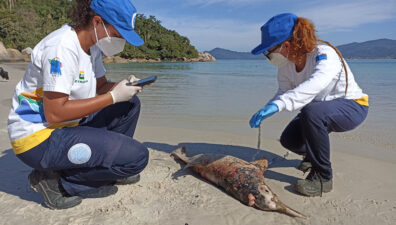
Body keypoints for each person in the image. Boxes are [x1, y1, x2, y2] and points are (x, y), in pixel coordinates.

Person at [7, 0, 149, 209]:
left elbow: (101, 86)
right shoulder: (62, 47)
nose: (120, 41)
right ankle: (59, 182)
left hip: (68, 126)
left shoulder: (93, 47)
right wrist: (112, 97)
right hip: (38, 138)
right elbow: (55, 113)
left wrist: (123, 87)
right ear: (98, 22)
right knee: (138, 158)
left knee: (129, 104)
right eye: (118, 35)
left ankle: (105, 167)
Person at [249, 13, 369, 197]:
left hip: (352, 107)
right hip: (318, 111)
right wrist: (269, 107)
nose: (268, 56)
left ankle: (323, 177)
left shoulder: (324, 54)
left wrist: (279, 105)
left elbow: (314, 85)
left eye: (269, 50)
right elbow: (283, 92)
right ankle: (313, 157)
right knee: (289, 140)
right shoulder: (286, 67)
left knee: (312, 112)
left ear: (286, 44)